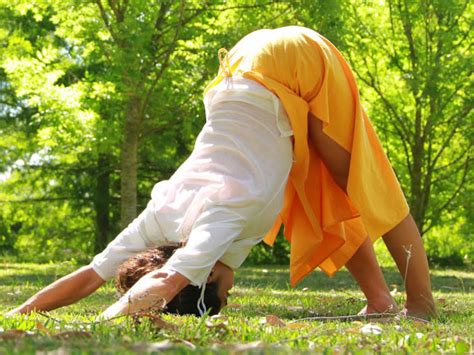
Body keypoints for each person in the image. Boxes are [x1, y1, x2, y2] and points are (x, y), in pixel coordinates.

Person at [8, 26, 436, 320]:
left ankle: (421, 304)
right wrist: (17, 314)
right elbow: (89, 276)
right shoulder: (158, 221)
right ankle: (380, 301)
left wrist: (102, 323)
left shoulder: (217, 226)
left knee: (368, 185)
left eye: (225, 292)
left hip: (290, 64)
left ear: (207, 275)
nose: (232, 289)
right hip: (240, 68)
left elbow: (165, 279)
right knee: (323, 192)